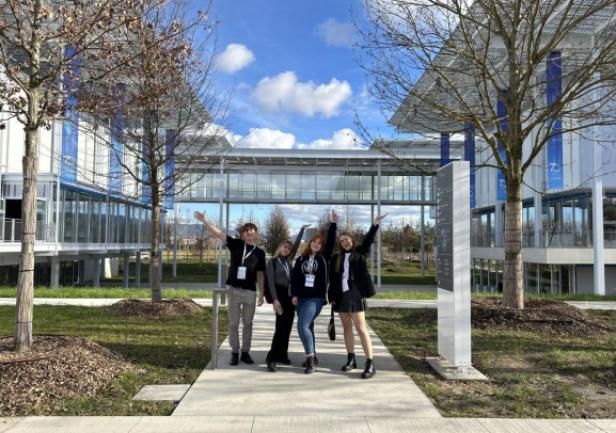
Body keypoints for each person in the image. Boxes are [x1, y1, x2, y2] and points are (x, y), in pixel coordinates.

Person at [194, 211, 266, 366]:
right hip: (233, 290)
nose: (249, 233)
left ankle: (245, 352)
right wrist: (205, 221)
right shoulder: (236, 244)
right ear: (243, 235)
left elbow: (261, 274)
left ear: (256, 233)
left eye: (252, 231)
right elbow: (219, 233)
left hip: (250, 292)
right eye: (246, 231)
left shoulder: (260, 253)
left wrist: (262, 294)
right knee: (233, 323)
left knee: (248, 323)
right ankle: (235, 352)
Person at [328, 213, 387, 379]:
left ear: (352, 240)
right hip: (341, 295)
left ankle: (370, 362)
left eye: (346, 239)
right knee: (347, 327)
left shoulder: (360, 252)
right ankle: (351, 358)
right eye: (341, 241)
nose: (344, 242)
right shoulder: (336, 258)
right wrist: (333, 225)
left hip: (355, 293)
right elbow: (333, 279)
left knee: (361, 328)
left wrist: (374, 225)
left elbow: (368, 240)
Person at [291, 211, 337, 374]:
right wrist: (294, 295)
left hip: (316, 299)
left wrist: (333, 224)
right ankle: (313, 355)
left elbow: (331, 241)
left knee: (302, 325)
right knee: (308, 327)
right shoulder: (300, 259)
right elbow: (295, 278)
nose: (316, 245)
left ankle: (310, 358)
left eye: (319, 243)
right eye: (314, 242)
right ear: (310, 243)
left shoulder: (323, 258)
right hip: (301, 299)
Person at [265, 224, 310, 372]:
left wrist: (301, 231)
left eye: (289, 249)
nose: (287, 250)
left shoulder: (288, 261)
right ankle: (271, 358)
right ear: (280, 247)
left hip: (290, 299)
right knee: (280, 329)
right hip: (279, 298)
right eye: (285, 247)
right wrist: (275, 300)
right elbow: (270, 283)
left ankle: (282, 355)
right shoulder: (272, 262)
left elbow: (296, 247)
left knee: (287, 328)